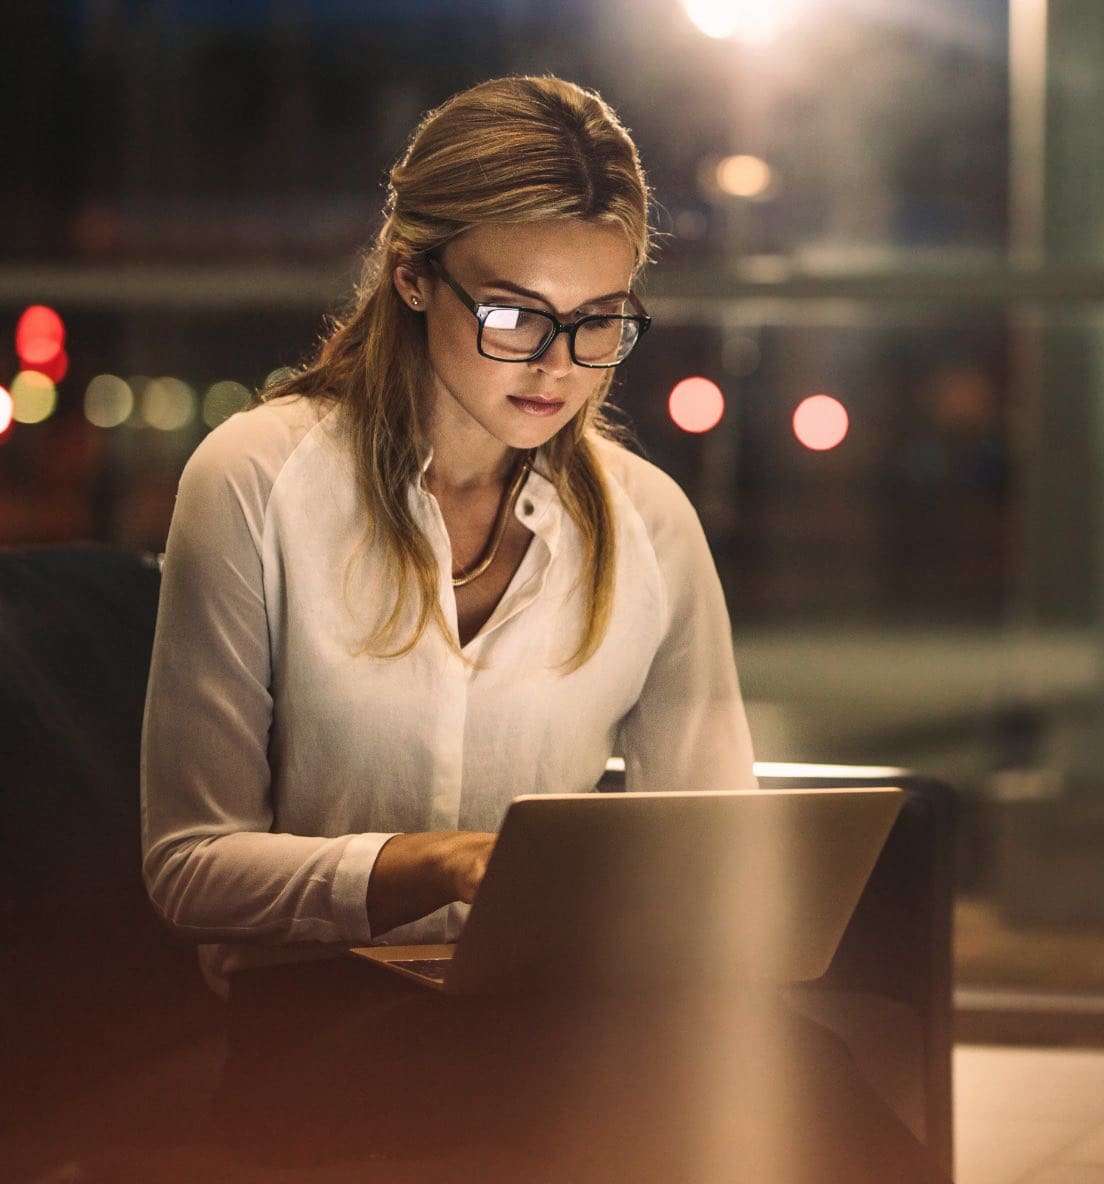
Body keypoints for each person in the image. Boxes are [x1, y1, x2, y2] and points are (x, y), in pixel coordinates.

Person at [140, 75, 946, 1182]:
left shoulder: (644, 520)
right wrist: (440, 863)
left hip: (572, 1009)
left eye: (599, 321)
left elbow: (710, 836)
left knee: (781, 1074)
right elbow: (188, 868)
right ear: (412, 274)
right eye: (516, 314)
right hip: (316, 1010)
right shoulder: (256, 480)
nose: (559, 364)